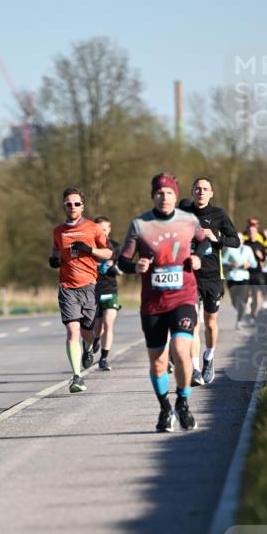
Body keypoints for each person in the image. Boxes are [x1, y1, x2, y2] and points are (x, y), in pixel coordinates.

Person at [118, 172, 205, 432]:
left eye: (168, 192)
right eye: (159, 193)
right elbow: (122, 260)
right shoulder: (140, 224)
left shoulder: (189, 220)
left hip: (184, 297)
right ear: (152, 196)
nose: (163, 197)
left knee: (181, 352)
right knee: (157, 360)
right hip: (153, 303)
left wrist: (198, 258)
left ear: (175, 196)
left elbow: (205, 243)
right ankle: (165, 408)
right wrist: (136, 266)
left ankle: (184, 403)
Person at [49, 187, 112, 392]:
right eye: (69, 203)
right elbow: (56, 248)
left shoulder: (94, 228)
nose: (72, 206)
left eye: (76, 203)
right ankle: (77, 377)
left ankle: (88, 347)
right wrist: (54, 258)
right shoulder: (58, 231)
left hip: (89, 286)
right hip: (67, 288)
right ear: (64, 206)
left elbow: (108, 253)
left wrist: (90, 250)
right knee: (72, 331)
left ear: (82, 206)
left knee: (89, 332)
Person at [178, 176, 239, 385]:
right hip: (189, 276)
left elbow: (236, 241)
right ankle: (195, 369)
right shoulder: (184, 214)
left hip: (212, 276)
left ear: (211, 193)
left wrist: (216, 238)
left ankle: (209, 357)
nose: (201, 192)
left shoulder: (219, 214)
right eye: (197, 189)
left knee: (211, 323)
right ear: (192, 191)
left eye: (205, 189)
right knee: (193, 323)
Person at [92, 216, 122, 371]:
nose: (102, 232)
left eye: (105, 229)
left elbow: (122, 266)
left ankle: (103, 358)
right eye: (99, 229)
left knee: (108, 322)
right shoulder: (89, 246)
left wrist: (114, 266)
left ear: (109, 229)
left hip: (110, 289)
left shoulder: (115, 247)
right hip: (92, 289)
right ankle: (94, 340)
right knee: (97, 329)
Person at [222, 237, 256, 330]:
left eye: (241, 239)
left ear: (243, 240)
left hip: (244, 277)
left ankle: (239, 321)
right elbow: (222, 261)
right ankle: (242, 311)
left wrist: (249, 264)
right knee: (234, 301)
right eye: (237, 239)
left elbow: (254, 263)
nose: (239, 240)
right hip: (232, 278)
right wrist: (231, 265)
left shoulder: (248, 249)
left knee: (241, 300)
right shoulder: (230, 248)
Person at [243, 219, 267, 323]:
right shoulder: (245, 244)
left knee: (256, 293)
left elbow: (264, 257)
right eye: (250, 231)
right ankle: (249, 305)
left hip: (257, 271)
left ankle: (254, 314)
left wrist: (261, 256)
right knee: (247, 292)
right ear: (248, 233)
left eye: (254, 232)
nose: (252, 233)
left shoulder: (260, 244)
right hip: (246, 271)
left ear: (256, 233)